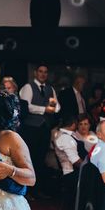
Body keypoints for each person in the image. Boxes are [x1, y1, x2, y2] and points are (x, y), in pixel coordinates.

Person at [19, 64, 60, 193]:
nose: (43, 74)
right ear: (36, 73)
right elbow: (26, 106)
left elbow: (57, 106)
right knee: (30, 158)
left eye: (45, 72)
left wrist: (54, 109)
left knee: (41, 158)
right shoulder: (28, 87)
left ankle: (38, 190)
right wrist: (44, 109)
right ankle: (28, 191)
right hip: (31, 128)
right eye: (41, 72)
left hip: (44, 128)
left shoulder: (50, 88)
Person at [53, 115, 85, 195]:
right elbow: (76, 161)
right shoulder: (65, 138)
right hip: (72, 174)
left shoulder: (65, 135)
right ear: (74, 124)